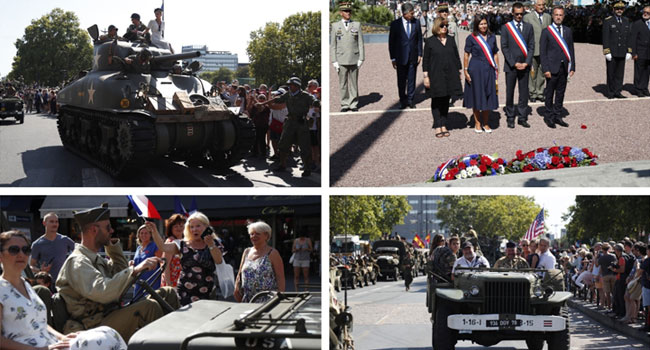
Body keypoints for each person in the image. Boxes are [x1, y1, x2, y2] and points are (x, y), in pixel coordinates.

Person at [56, 203, 180, 341]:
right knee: (149, 307)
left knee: (168, 293)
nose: (112, 230)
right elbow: (103, 291)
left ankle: (179, 340)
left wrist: (112, 247)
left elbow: (119, 274)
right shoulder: (78, 262)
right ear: (94, 230)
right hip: (93, 325)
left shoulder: (94, 259)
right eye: (108, 227)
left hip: (110, 314)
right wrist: (136, 269)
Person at [0, 230, 128, 350]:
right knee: (103, 341)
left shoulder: (25, 285)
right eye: (14, 250)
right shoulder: (2, 289)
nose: (21, 254)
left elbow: (40, 324)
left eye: (26, 250)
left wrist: (62, 337)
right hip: (35, 348)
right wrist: (38, 349)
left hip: (51, 343)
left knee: (108, 333)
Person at [148, 212, 223, 306]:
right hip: (185, 293)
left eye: (198, 226)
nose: (194, 229)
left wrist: (211, 245)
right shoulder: (182, 244)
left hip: (206, 292)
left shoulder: (215, 243)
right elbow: (163, 247)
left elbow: (219, 261)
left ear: (206, 227)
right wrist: (154, 231)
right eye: (191, 227)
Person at [258, 77, 319, 177]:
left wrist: (317, 103)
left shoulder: (305, 95)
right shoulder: (288, 94)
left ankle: (307, 168)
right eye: (289, 85)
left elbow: (314, 100)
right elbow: (278, 99)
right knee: (283, 144)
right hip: (290, 122)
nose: (290, 87)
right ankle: (282, 164)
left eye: (292, 85)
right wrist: (263, 103)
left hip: (301, 123)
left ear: (297, 86)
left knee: (304, 146)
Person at [422, 16, 462, 138]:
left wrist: (459, 71)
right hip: (435, 75)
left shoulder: (451, 39)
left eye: (446, 26)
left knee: (446, 100)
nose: (445, 28)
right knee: (436, 100)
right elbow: (426, 61)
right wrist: (426, 76)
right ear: (436, 27)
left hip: (450, 74)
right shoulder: (430, 41)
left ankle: (444, 124)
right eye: (442, 26)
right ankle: (437, 124)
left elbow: (456, 56)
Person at [540, 6, 575, 129]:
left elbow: (571, 49)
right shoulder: (546, 31)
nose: (558, 17)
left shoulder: (567, 31)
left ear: (564, 16)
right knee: (549, 93)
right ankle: (549, 117)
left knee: (561, 93)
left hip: (563, 67)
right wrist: (546, 69)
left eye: (560, 15)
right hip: (551, 68)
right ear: (552, 16)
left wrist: (573, 67)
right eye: (556, 15)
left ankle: (558, 115)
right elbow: (543, 52)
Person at [463, 14, 499, 133]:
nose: (483, 26)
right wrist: (465, 70)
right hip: (475, 69)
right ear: (477, 25)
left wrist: (496, 68)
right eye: (481, 24)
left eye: (485, 23)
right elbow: (466, 54)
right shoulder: (471, 38)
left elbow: (495, 53)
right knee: (477, 95)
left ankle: (486, 122)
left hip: (489, 69)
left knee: (488, 95)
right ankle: (477, 123)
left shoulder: (492, 37)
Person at [501, 2, 534, 129]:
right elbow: (504, 47)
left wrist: (527, 62)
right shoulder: (506, 28)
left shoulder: (529, 27)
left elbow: (531, 46)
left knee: (524, 92)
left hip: (525, 65)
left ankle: (522, 117)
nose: (519, 16)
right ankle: (510, 117)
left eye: (521, 14)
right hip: (511, 66)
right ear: (512, 13)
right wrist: (513, 63)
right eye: (517, 14)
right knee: (510, 92)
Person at [234, 221, 285, 303]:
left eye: (257, 234)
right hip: (247, 299)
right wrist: (236, 288)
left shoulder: (273, 253)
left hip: (267, 300)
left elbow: (280, 278)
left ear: (266, 235)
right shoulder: (246, 252)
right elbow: (240, 273)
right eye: (251, 234)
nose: (254, 236)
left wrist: (280, 297)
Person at [331, 2, 365, 112]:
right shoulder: (335, 26)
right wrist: (334, 61)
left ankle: (353, 103)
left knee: (354, 83)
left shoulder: (357, 25)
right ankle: (344, 103)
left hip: (354, 58)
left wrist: (361, 58)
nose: (348, 13)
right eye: (346, 11)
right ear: (341, 13)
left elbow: (360, 42)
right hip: (341, 59)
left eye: (349, 11)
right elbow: (333, 45)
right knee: (343, 83)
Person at [389, 2, 423, 109]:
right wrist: (393, 57)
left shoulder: (416, 23)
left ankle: (410, 100)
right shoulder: (395, 24)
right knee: (401, 80)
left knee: (412, 79)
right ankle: (402, 101)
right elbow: (391, 42)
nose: (412, 15)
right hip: (400, 57)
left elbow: (419, 39)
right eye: (411, 13)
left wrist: (420, 54)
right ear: (405, 13)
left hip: (413, 56)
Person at [30, 212, 75, 290]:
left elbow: (80, 252)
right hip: (46, 284)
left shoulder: (65, 240)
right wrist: (40, 270)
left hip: (64, 282)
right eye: (51, 221)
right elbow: (31, 266)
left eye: (56, 222)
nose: (55, 224)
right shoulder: (37, 244)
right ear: (44, 223)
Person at [523, 0, 552, 103]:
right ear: (534, 6)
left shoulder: (548, 17)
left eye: (543, 5)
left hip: (545, 50)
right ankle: (532, 92)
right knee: (532, 72)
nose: (541, 7)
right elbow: (525, 34)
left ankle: (540, 92)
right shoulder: (527, 17)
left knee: (542, 72)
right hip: (532, 49)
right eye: (539, 5)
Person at [602, 2, 632, 99]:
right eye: (617, 9)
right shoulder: (608, 21)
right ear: (613, 10)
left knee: (620, 73)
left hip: (622, 51)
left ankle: (618, 91)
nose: (619, 11)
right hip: (612, 51)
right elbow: (605, 37)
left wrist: (629, 51)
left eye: (621, 9)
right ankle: (610, 92)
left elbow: (628, 37)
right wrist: (607, 51)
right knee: (611, 73)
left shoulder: (626, 21)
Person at [131, 224, 162, 299]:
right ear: (138, 235)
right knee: (136, 301)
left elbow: (160, 261)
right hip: (139, 281)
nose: (143, 235)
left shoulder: (155, 246)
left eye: (146, 233)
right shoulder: (138, 248)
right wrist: (132, 262)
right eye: (141, 233)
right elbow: (138, 261)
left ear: (150, 235)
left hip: (151, 281)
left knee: (151, 302)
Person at [630, 6, 650, 97]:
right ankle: (638, 89)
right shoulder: (637, 24)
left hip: (649, 52)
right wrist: (633, 53)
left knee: (647, 71)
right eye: (644, 12)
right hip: (640, 51)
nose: (645, 14)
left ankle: (645, 88)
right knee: (639, 71)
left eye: (648, 13)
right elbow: (633, 39)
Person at [161, 214, 185, 288]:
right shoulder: (170, 242)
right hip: (173, 283)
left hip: (184, 281)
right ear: (171, 228)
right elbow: (165, 265)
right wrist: (169, 284)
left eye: (181, 226)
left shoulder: (185, 241)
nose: (179, 228)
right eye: (176, 226)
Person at [597, 243, 617, 311]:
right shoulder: (613, 256)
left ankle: (609, 307)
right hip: (613, 274)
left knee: (607, 293)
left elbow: (597, 265)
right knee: (614, 292)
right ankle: (615, 307)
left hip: (605, 275)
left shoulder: (601, 257)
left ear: (602, 249)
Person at [250, 94, 271, 158]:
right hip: (256, 124)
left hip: (263, 125)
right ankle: (255, 152)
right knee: (255, 139)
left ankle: (263, 153)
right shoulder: (254, 106)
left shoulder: (267, 107)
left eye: (263, 98)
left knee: (262, 139)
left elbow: (261, 109)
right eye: (260, 98)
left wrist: (255, 100)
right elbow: (252, 114)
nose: (261, 100)